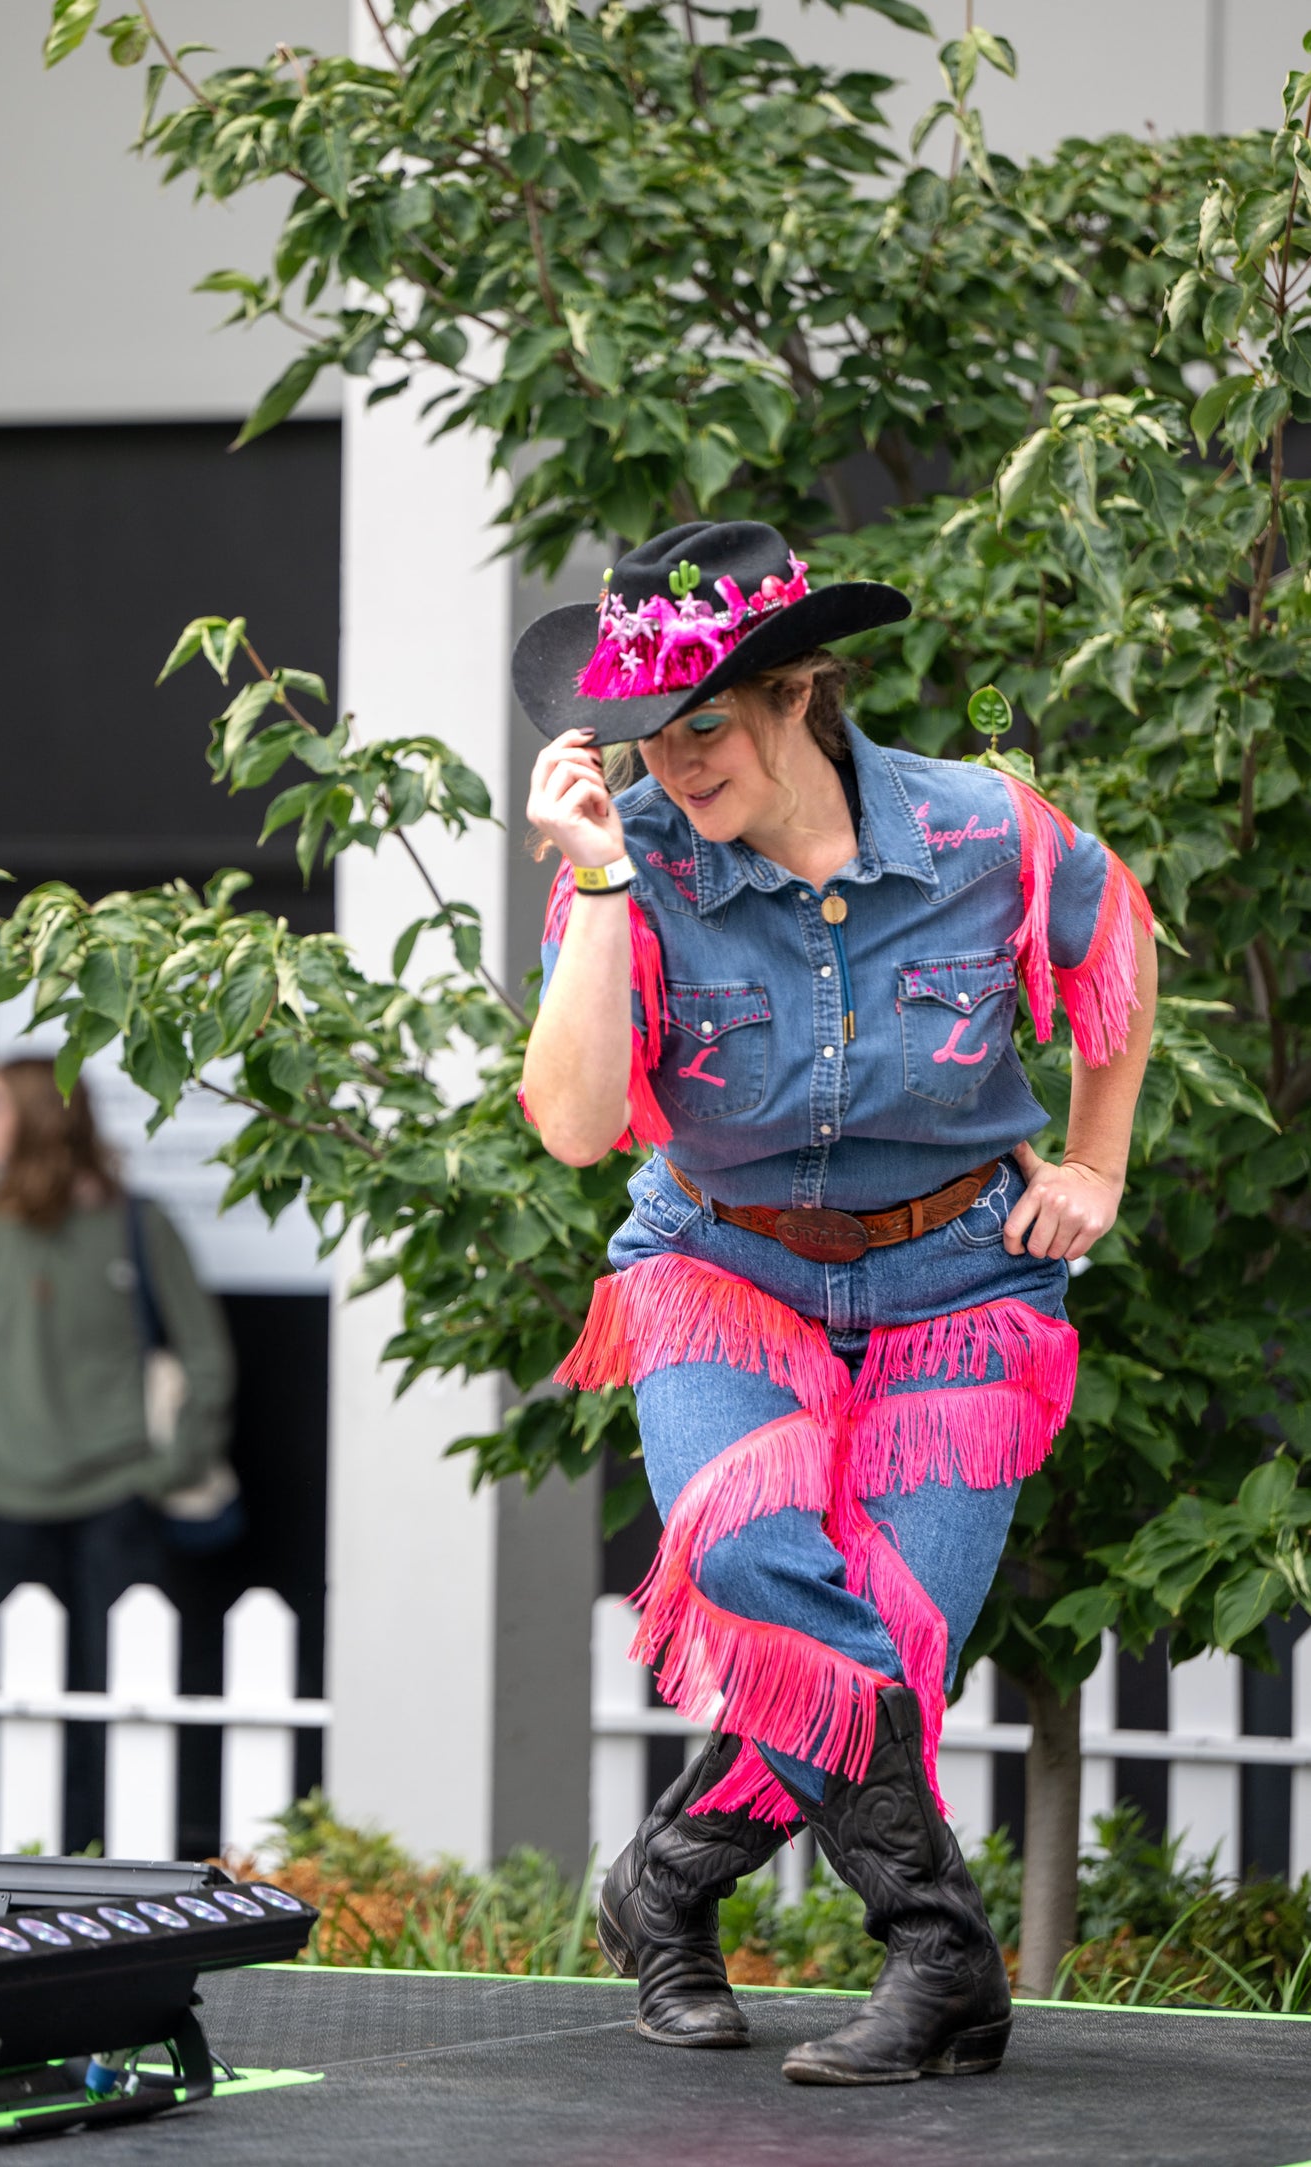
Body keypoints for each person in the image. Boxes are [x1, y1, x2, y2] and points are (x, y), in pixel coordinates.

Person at [516, 521, 1155, 2085]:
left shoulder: (982, 830)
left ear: (802, 691)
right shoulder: (638, 859)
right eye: (648, 736)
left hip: (960, 1278)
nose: (676, 762)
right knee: (748, 1555)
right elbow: (578, 1122)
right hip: (722, 1272)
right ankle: (942, 1948)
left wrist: (1094, 1163)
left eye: (707, 725)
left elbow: (1112, 947)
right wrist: (601, 880)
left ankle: (664, 1881)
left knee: (892, 1636)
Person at [0, 1057, 235, 1848]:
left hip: (117, 1497)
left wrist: (161, 1471)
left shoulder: (137, 1220)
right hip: (9, 1499)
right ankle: (30, 1853)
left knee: (120, 1690)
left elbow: (207, 1358)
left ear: (36, 1116)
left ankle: (112, 1855)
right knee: (22, 1698)